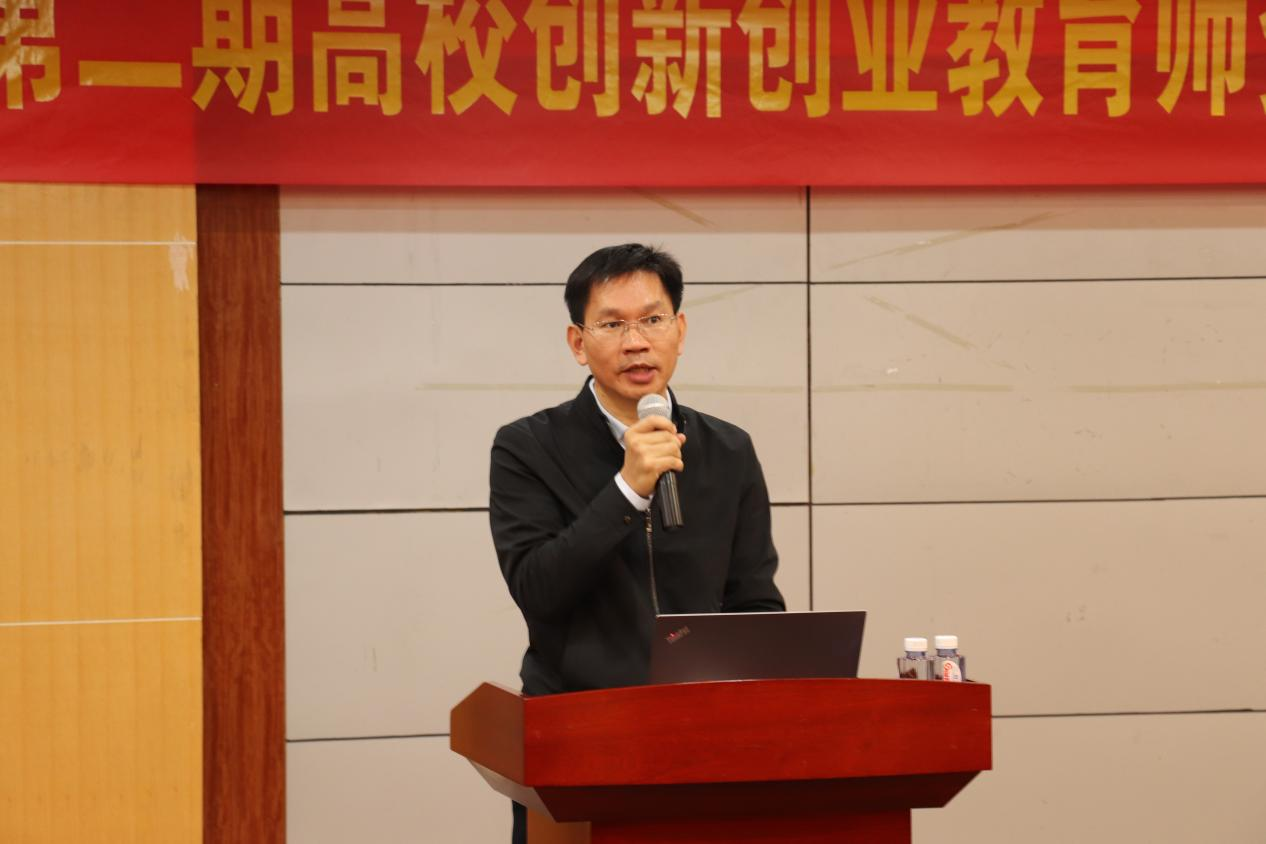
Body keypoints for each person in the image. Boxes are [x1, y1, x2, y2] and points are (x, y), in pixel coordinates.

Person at [488, 243, 784, 843]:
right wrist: (627, 490)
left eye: (652, 319)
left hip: (703, 743)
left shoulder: (729, 449)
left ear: (680, 330)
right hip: (574, 734)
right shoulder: (527, 447)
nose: (636, 342)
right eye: (612, 325)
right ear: (578, 343)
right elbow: (538, 588)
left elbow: (754, 603)